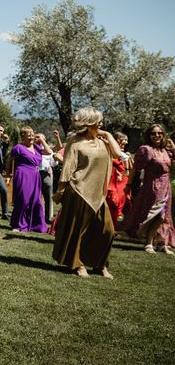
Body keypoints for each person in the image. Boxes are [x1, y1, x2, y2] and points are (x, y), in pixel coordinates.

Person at [52, 108, 123, 278]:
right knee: (78, 231)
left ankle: (100, 264)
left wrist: (108, 135)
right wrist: (61, 191)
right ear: (89, 123)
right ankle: (78, 265)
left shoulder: (103, 141)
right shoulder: (75, 142)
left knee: (107, 230)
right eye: (98, 121)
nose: (101, 124)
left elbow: (118, 154)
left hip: (98, 193)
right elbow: (68, 168)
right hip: (79, 190)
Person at [119, 124, 175, 254]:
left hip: (166, 186)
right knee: (158, 215)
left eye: (159, 133)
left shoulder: (166, 150)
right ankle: (148, 242)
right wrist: (128, 185)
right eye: (153, 133)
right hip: (152, 186)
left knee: (165, 216)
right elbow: (135, 169)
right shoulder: (146, 150)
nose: (157, 136)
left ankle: (161, 242)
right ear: (148, 136)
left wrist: (173, 147)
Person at [7, 128, 53, 232]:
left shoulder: (36, 147)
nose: (32, 137)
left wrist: (42, 140)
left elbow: (49, 152)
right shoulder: (18, 147)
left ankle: (36, 225)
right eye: (29, 135)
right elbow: (9, 160)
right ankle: (18, 225)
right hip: (22, 174)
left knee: (36, 200)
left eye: (33, 134)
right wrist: (9, 175)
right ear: (23, 136)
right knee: (23, 200)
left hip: (35, 176)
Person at [105, 132, 131, 228]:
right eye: (124, 139)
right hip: (112, 181)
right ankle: (109, 225)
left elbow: (126, 170)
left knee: (119, 203)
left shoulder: (123, 154)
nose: (126, 142)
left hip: (121, 181)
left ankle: (114, 225)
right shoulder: (109, 151)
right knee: (112, 202)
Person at [36, 133, 57, 223]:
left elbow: (53, 163)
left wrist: (42, 141)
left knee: (48, 196)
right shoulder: (32, 148)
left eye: (41, 138)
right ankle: (36, 217)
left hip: (45, 174)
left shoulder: (47, 150)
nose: (39, 139)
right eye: (37, 137)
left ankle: (48, 218)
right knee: (36, 196)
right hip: (35, 173)